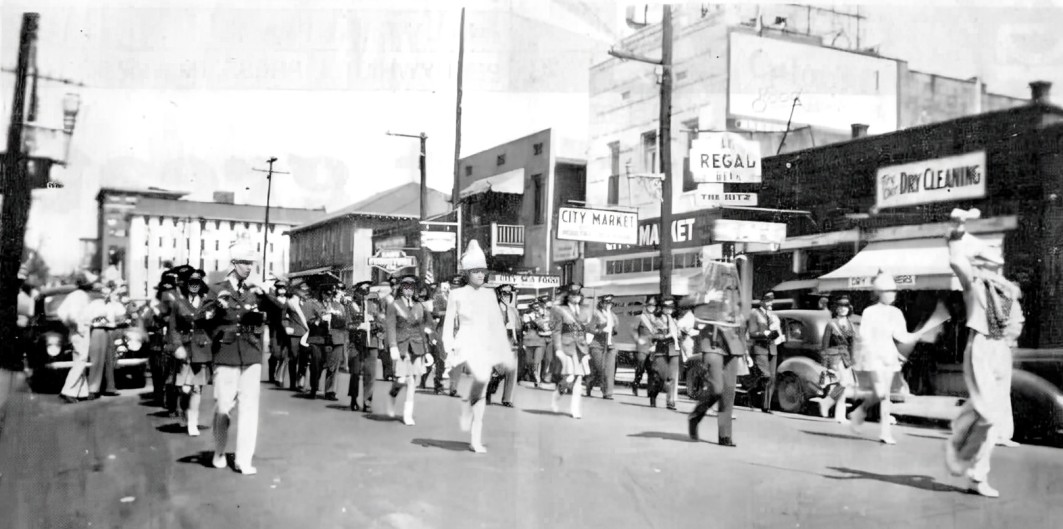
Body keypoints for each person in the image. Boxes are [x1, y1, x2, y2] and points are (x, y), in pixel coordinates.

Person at [944, 208, 1023, 498]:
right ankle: (964, 442)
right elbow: (955, 259)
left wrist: (1009, 342)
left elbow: (1017, 322)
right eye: (987, 262)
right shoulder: (974, 284)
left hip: (1001, 348)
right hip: (980, 344)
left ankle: (978, 476)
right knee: (988, 415)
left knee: (995, 417)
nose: (992, 267)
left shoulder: (1008, 292)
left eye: (994, 263)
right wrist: (957, 228)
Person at [197, 240, 282, 475]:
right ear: (233, 263)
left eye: (251, 263)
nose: (248, 267)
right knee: (224, 407)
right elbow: (203, 318)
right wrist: (217, 307)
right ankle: (220, 450)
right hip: (226, 353)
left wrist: (265, 292)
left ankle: (244, 459)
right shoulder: (217, 288)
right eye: (244, 262)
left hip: (252, 353)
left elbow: (278, 313)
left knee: (249, 409)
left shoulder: (254, 291)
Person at [441, 240, 515, 453]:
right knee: (482, 379)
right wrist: (449, 348)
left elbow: (495, 324)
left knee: (482, 386)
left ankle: (475, 436)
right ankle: (470, 405)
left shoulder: (490, 294)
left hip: (484, 343)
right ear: (467, 273)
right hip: (465, 342)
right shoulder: (456, 294)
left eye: (483, 271)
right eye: (476, 271)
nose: (481, 275)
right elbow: (449, 325)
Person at [848, 272, 926, 445]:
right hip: (873, 357)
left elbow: (902, 336)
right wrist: (863, 358)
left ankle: (884, 432)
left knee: (885, 396)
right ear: (880, 292)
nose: (893, 294)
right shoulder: (869, 312)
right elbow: (864, 336)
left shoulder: (897, 313)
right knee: (881, 393)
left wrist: (917, 334)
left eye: (894, 291)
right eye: (889, 291)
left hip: (888, 357)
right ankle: (860, 412)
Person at [385, 275, 433, 425]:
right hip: (401, 345)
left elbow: (422, 329)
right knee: (401, 379)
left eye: (411, 288)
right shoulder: (394, 305)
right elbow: (390, 326)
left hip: (416, 345)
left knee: (412, 380)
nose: (409, 291)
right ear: (401, 289)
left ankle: (407, 414)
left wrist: (427, 351)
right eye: (406, 288)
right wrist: (392, 345)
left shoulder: (419, 306)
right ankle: (392, 395)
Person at [170, 268, 212, 436]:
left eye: (197, 283)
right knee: (184, 389)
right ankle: (185, 411)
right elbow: (173, 328)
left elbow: (214, 326)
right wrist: (177, 346)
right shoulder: (179, 303)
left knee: (196, 388)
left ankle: (192, 423)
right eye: (191, 283)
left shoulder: (207, 302)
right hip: (185, 348)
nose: (194, 286)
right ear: (186, 285)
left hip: (201, 348)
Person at [812, 296, 858, 423]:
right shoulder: (831, 324)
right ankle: (826, 403)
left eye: (845, 307)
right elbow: (825, 345)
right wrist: (825, 363)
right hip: (834, 357)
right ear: (836, 309)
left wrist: (852, 361)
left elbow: (852, 345)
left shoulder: (851, 325)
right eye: (840, 307)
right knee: (842, 383)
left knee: (843, 386)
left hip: (845, 358)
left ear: (849, 309)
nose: (843, 309)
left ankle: (840, 415)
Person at [549, 282, 592, 418]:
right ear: (567, 296)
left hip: (580, 347)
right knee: (569, 377)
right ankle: (557, 395)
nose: (576, 298)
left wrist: (588, 342)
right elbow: (556, 331)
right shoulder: (559, 310)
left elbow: (586, 328)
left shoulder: (585, 310)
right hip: (566, 346)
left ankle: (575, 409)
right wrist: (558, 349)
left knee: (579, 378)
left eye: (578, 295)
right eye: (573, 295)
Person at [303, 278, 350, 401]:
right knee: (316, 363)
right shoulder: (312, 303)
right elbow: (308, 321)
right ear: (322, 293)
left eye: (332, 294)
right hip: (317, 338)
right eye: (326, 294)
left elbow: (345, 321)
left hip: (336, 338)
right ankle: (313, 387)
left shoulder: (339, 306)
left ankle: (330, 391)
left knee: (333, 366)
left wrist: (334, 317)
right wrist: (319, 320)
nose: (329, 297)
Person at [57, 272, 98, 402]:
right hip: (81, 330)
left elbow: (61, 312)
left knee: (80, 360)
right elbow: (73, 315)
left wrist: (70, 325)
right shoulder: (80, 297)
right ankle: (68, 390)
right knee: (81, 360)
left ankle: (81, 392)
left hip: (75, 331)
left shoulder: (73, 295)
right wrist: (78, 326)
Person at [86, 280, 129, 398]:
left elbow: (121, 313)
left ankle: (110, 387)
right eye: (103, 292)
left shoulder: (112, 304)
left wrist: (115, 300)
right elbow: (90, 318)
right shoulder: (94, 304)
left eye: (109, 291)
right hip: (98, 330)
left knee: (110, 360)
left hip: (110, 331)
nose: (106, 294)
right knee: (97, 360)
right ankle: (93, 389)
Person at [747, 292, 782, 414]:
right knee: (765, 376)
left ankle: (766, 406)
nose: (770, 303)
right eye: (767, 300)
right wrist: (764, 334)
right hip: (760, 348)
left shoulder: (773, 315)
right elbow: (751, 332)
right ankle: (752, 391)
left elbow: (777, 330)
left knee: (772, 378)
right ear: (761, 301)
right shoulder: (754, 313)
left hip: (772, 348)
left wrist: (779, 336)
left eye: (771, 301)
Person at [486, 283, 521, 407]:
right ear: (499, 294)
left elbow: (518, 328)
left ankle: (507, 399)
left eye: (509, 294)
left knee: (512, 370)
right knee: (496, 369)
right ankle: (488, 391)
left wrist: (518, 341)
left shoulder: (514, 311)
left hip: (511, 341)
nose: (507, 296)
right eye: (504, 293)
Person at [346, 281, 376, 412]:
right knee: (355, 373)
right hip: (356, 343)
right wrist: (358, 326)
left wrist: (373, 323)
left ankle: (367, 402)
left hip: (370, 343)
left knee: (370, 374)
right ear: (356, 293)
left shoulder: (373, 306)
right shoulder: (349, 307)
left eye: (366, 292)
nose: (364, 295)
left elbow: (382, 323)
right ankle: (353, 398)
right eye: (361, 292)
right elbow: (347, 325)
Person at [276, 280, 309, 391]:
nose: (304, 292)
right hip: (294, 333)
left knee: (304, 360)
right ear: (296, 291)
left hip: (306, 334)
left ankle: (300, 382)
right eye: (302, 290)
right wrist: (286, 327)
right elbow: (283, 317)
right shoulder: (289, 302)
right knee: (293, 358)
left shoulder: (306, 302)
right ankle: (292, 384)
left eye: (305, 290)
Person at [586, 294, 619, 400]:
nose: (608, 305)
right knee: (600, 368)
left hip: (610, 345)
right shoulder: (597, 314)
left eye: (610, 302)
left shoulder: (613, 316)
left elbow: (616, 330)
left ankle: (608, 393)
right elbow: (589, 328)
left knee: (609, 370)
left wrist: (612, 330)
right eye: (606, 302)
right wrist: (599, 331)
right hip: (597, 345)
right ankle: (589, 384)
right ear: (601, 303)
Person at [522, 300, 553, 389]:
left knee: (537, 360)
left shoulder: (545, 316)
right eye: (535, 305)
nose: (537, 307)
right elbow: (526, 326)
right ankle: (533, 373)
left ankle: (537, 377)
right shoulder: (527, 315)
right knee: (529, 362)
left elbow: (549, 327)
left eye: (538, 305)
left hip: (540, 340)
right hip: (529, 340)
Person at [632, 296, 660, 397]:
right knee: (640, 367)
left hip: (653, 345)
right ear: (646, 305)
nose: (652, 307)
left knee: (651, 369)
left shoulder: (657, 319)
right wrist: (637, 339)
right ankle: (635, 384)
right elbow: (633, 330)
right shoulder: (639, 317)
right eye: (650, 305)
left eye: (654, 305)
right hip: (642, 346)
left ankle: (650, 391)